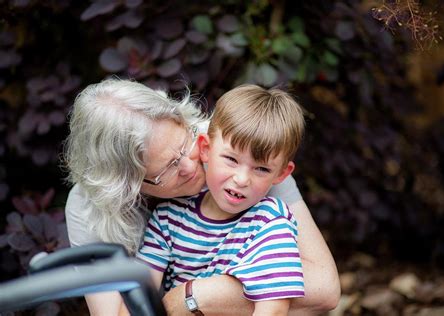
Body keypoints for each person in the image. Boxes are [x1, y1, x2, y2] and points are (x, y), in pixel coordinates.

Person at [64, 78, 340, 315]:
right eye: (168, 168)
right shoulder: (92, 208)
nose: (189, 165)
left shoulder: (242, 149)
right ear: (128, 185)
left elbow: (324, 289)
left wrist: (190, 297)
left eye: (185, 144)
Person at [136, 85, 306, 315]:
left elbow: (273, 310)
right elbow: (140, 298)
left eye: (262, 169)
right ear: (205, 149)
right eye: (231, 159)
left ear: (281, 174)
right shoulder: (169, 218)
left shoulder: (270, 221)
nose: (242, 179)